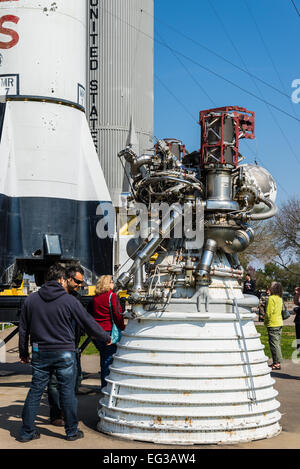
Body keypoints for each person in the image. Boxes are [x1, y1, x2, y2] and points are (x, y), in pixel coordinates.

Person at [18, 264, 111, 442]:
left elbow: (23, 329)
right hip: (65, 352)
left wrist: (23, 353)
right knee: (67, 393)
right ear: (62, 279)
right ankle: (71, 432)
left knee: (35, 391)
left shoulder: (31, 300)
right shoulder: (69, 301)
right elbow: (87, 322)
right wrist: (104, 336)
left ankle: (26, 432)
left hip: (40, 352)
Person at [47, 264, 86, 427]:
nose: (79, 285)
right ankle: (57, 414)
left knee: (76, 380)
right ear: (68, 279)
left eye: (81, 283)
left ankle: (66, 411)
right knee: (55, 382)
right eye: (77, 281)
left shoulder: (76, 298)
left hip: (73, 345)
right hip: (56, 346)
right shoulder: (54, 297)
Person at [93, 275, 125, 390]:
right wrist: (122, 327)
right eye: (111, 282)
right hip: (109, 332)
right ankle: (107, 387)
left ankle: (104, 385)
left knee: (103, 359)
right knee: (109, 361)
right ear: (107, 284)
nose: (113, 284)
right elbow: (117, 314)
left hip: (97, 332)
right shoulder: (112, 296)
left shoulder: (96, 298)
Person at [264, 281, 283, 370]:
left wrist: (265, 321)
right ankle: (276, 362)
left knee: (274, 344)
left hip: (273, 323)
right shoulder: (280, 298)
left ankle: (277, 363)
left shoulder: (271, 298)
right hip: (279, 323)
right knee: (277, 343)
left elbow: (268, 313)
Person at [293, 284, 300, 350]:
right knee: (298, 334)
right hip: (298, 319)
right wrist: (297, 293)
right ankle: (298, 347)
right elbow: (296, 302)